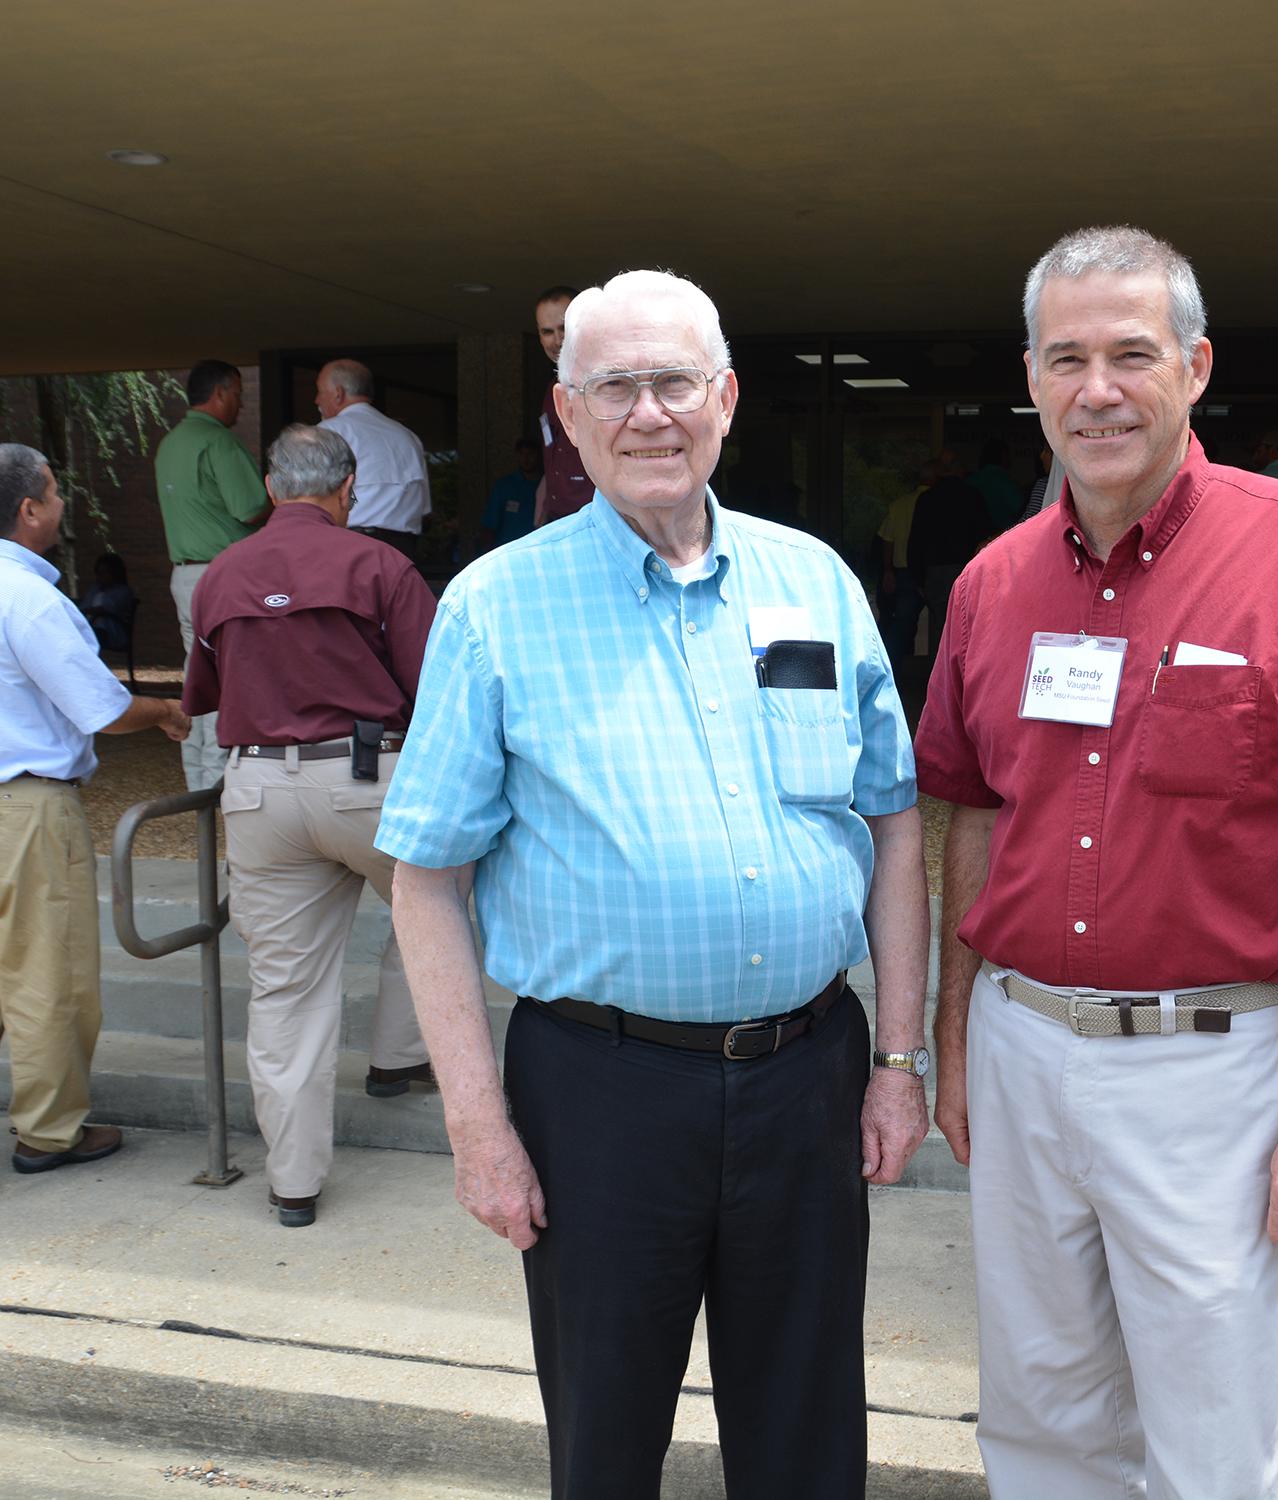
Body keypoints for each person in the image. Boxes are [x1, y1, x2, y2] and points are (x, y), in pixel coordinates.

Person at [914, 226, 1278, 1500]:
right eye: (1066, 359)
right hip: (1018, 1046)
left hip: (1208, 1073)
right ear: (1031, 377)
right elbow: (975, 818)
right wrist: (951, 1041)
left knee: (1215, 1427)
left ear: (1195, 366)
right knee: (1041, 1409)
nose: (1095, 389)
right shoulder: (992, 584)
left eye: (1129, 354)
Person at [376, 269, 931, 1500]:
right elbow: (425, 880)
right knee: (605, 1435)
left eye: (672, 382)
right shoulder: (494, 608)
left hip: (806, 1078)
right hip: (597, 1093)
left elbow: (893, 825)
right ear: (566, 417)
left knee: (806, 1433)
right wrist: (479, 1128)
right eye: (612, 387)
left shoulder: (818, 584)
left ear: (724, 399)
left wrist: (896, 1063)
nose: (647, 415)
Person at [182, 425, 437, 1228]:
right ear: (348, 489)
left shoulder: (220, 574)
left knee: (285, 989)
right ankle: (398, 1058)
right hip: (370, 782)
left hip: (258, 788)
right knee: (433, 915)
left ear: (268, 487)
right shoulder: (379, 564)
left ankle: (292, 1183)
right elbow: (436, 686)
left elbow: (202, 695)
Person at [0, 445, 191, 1197]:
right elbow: (102, 709)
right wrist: (168, 710)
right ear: (28, 511)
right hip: (25, 807)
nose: (62, 504)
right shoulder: (29, 600)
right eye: (53, 492)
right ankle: (49, 1132)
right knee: (51, 977)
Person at [154, 359, 268, 790]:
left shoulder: (170, 444)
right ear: (220, 393)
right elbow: (251, 506)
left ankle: (199, 786)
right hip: (224, 576)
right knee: (229, 676)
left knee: (196, 675)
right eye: (238, 393)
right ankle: (225, 784)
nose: (240, 404)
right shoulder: (219, 442)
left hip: (184, 576)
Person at [314, 360, 431, 561]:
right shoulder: (408, 437)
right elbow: (425, 511)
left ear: (338, 393)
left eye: (319, 392)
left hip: (349, 547)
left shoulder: (330, 431)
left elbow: (312, 500)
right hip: (403, 551)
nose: (316, 400)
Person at [906, 451, 991, 658]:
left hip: (934, 570)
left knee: (939, 626)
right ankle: (964, 681)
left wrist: (917, 577)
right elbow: (985, 535)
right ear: (960, 471)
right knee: (968, 627)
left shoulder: (927, 499)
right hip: (965, 567)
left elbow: (916, 540)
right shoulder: (973, 496)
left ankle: (939, 681)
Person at [529, 284, 594, 525]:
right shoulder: (552, 388)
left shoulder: (607, 384)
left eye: (564, 329)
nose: (557, 341)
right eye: (547, 332)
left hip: (599, 521)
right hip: (559, 520)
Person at [876, 458, 932, 669]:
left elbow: (887, 539)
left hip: (904, 570)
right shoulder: (937, 502)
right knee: (942, 624)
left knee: (903, 623)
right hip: (932, 570)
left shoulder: (899, 505)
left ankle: (888, 668)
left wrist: (888, 570)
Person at [481, 437, 542, 551]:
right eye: (522, 454)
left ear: (538, 455)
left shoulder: (547, 485)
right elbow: (489, 526)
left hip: (537, 550)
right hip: (507, 552)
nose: (526, 458)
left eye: (530, 454)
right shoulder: (504, 486)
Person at [80, 552, 138, 657]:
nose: (100, 577)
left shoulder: (123, 591)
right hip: (89, 626)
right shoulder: (94, 590)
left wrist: (93, 612)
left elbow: (110, 608)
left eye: (104, 573)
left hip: (110, 631)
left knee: (88, 636)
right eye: (98, 573)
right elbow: (83, 607)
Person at [969, 437, 1023, 531]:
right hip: (1002, 535)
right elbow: (1021, 509)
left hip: (974, 536)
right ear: (1003, 456)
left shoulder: (972, 480)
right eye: (1008, 455)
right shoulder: (1005, 481)